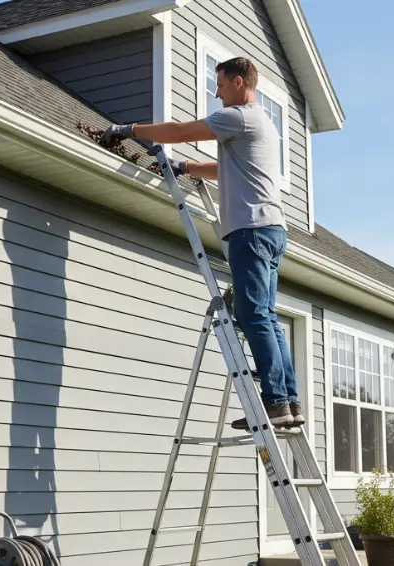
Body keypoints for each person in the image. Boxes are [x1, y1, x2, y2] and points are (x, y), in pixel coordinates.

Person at [103, 56, 303, 429]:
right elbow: (230, 169)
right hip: (272, 230)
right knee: (267, 317)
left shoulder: (239, 116)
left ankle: (275, 403)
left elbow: (179, 132)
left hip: (251, 231)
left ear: (240, 83)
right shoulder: (262, 124)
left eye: (222, 85)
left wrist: (128, 129)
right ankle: (288, 402)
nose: (217, 92)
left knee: (252, 315)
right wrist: (187, 168)